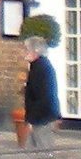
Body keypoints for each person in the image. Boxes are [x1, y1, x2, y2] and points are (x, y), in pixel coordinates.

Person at [17, 15, 62, 149]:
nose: (25, 53)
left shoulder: (41, 68)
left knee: (44, 151)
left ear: (35, 51)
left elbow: (44, 96)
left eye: (27, 50)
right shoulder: (38, 66)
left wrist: (33, 118)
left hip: (43, 118)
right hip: (41, 117)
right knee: (32, 151)